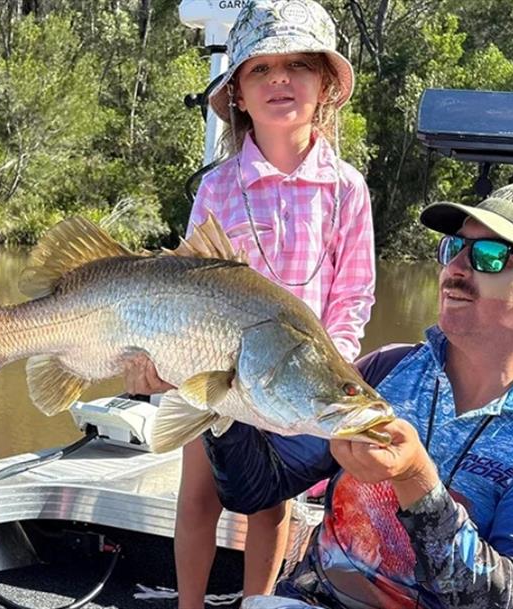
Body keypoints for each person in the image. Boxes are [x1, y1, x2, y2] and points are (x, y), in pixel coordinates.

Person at [200, 181, 513, 609]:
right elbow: (256, 489)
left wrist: (416, 481)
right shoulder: (386, 371)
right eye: (453, 248)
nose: (455, 268)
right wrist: (217, 398)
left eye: (488, 256)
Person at [122, 0, 376, 606]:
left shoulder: (347, 189)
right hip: (210, 364)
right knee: (198, 494)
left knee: (271, 504)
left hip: (288, 381)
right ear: (236, 91)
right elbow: (183, 282)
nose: (280, 80)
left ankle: (258, 602)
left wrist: (319, 374)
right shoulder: (218, 184)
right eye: (260, 69)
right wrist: (156, 358)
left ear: (325, 87)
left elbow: (354, 295)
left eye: (297, 66)